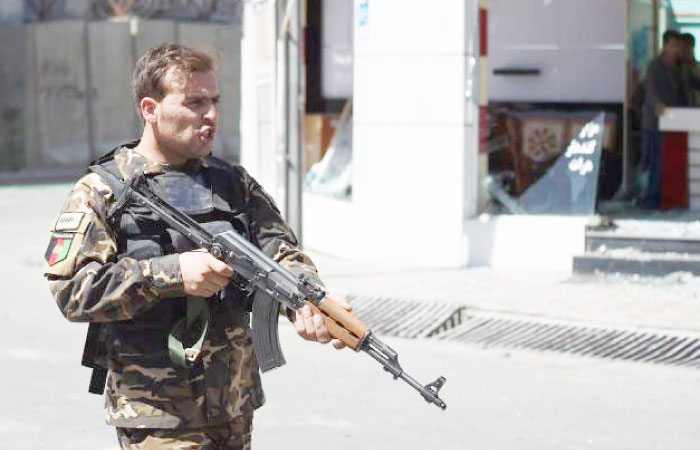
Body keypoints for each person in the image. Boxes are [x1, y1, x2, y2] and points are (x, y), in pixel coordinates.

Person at [43, 43, 349, 450]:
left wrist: (308, 299)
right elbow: (72, 292)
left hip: (234, 403)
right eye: (194, 102)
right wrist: (171, 274)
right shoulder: (102, 191)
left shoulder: (233, 185)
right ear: (150, 109)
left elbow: (282, 254)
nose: (211, 115)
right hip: (156, 411)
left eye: (214, 101)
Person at [639, 29, 689, 208]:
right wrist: (658, 104)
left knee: (667, 162)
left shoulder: (678, 67)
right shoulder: (655, 66)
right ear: (666, 45)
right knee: (655, 161)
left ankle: (664, 198)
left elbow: (684, 92)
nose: (677, 49)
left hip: (675, 122)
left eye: (679, 46)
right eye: (674, 45)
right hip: (655, 122)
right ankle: (651, 199)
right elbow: (651, 90)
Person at [681, 32, 700, 106]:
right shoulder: (676, 69)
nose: (685, 50)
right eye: (683, 47)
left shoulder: (698, 67)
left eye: (688, 47)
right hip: (679, 108)